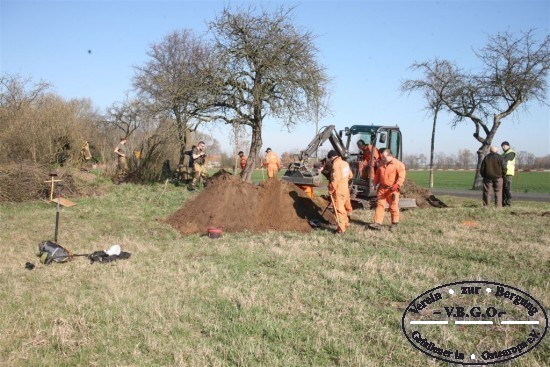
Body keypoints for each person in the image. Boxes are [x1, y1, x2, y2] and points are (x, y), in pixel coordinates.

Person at [368, 148, 406, 232]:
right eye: (382, 157)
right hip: (382, 189)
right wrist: (374, 183)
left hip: (392, 190)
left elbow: (401, 177)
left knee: (393, 206)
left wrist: (397, 185)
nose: (382, 158)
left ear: (390, 155)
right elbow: (378, 174)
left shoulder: (399, 164)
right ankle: (377, 223)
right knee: (380, 206)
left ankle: (394, 224)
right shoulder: (382, 163)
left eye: (384, 157)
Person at [327, 150, 353, 234]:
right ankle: (346, 223)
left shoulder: (336, 165)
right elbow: (350, 175)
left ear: (331, 157)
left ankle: (341, 229)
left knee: (338, 209)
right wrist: (344, 182)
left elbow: (336, 179)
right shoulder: (345, 163)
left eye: (330, 159)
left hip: (338, 189)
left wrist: (331, 190)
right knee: (343, 207)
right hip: (345, 188)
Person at [501, 141, 516, 206]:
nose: (502, 147)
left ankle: (508, 201)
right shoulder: (504, 153)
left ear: (508, 146)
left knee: (507, 188)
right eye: (502, 146)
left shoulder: (511, 153)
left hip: (508, 173)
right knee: (503, 188)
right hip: (503, 172)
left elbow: (505, 159)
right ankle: (504, 202)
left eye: (504, 146)